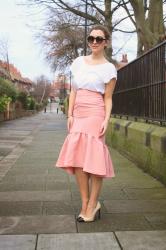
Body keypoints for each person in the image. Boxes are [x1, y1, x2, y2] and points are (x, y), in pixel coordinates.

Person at [55, 25, 117, 222]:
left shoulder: (109, 68)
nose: (94, 42)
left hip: (96, 113)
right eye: (91, 38)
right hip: (79, 114)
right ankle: (85, 203)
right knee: (79, 160)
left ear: (106, 42)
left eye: (99, 39)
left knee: (95, 161)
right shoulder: (78, 62)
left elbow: (108, 98)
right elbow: (74, 90)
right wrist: (70, 115)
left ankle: (93, 205)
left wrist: (106, 119)